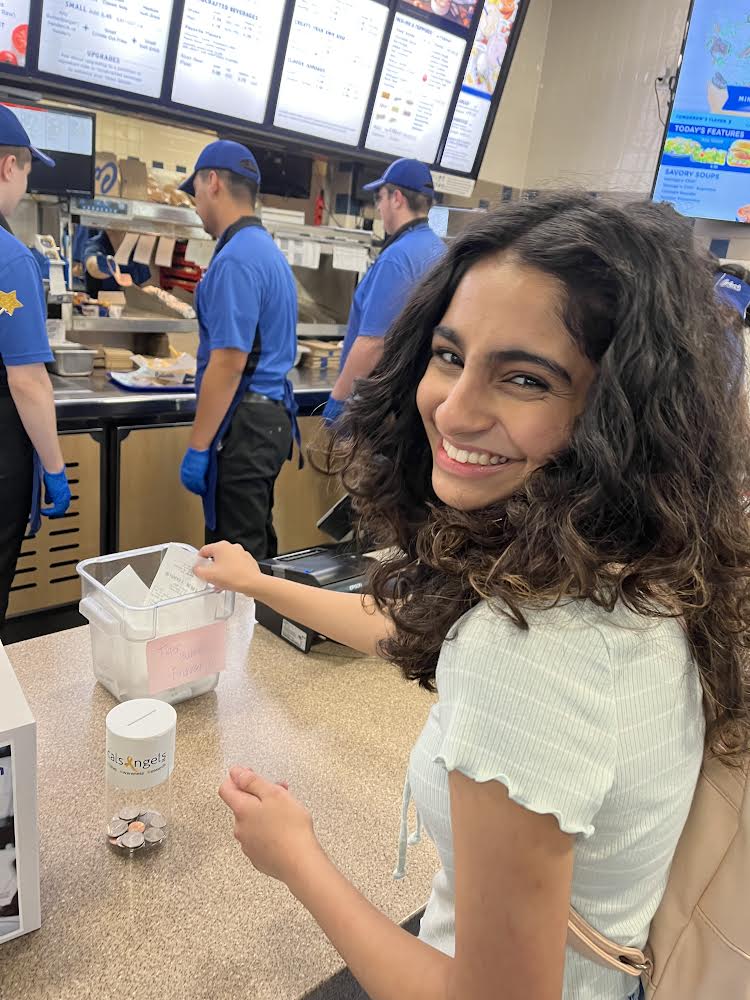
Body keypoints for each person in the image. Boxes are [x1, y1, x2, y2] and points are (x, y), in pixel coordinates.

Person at [195, 194, 750, 1000]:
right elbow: (408, 625)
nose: (452, 409)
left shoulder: (529, 654)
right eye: (450, 356)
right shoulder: (642, 567)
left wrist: (296, 858)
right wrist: (259, 582)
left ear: (618, 414)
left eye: (524, 377)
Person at [178, 140, 298, 560]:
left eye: (193, 190)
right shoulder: (265, 250)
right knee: (254, 546)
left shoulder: (235, 260)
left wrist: (197, 446)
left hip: (244, 425)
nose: (194, 203)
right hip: (266, 421)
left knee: (234, 558)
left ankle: (245, 627)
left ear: (212, 182)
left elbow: (228, 364)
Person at [0, 105, 71, 626]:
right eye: (27, 170)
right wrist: (53, 466)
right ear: (8, 166)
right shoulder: (11, 259)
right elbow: (27, 381)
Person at [321, 158, 445, 425]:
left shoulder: (397, 258)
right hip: (414, 403)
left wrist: (338, 403)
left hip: (384, 407)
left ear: (397, 198)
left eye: (380, 197)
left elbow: (373, 343)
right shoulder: (439, 250)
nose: (378, 207)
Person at [81, 228, 152, 295]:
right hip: (101, 304)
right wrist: (108, 267)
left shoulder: (136, 247)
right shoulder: (96, 244)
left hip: (131, 305)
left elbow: (145, 284)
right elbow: (92, 265)